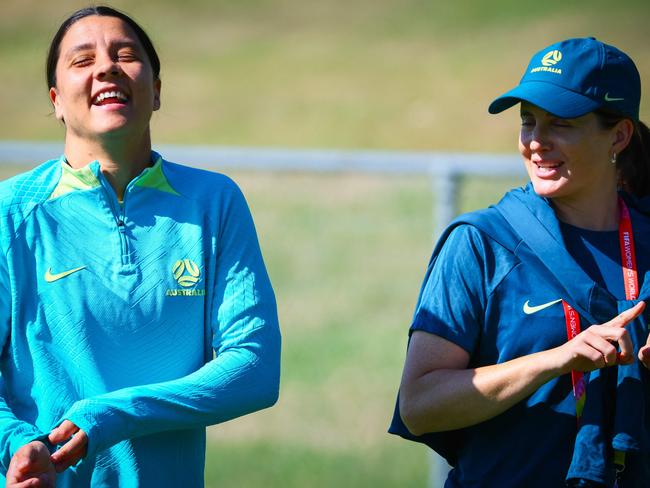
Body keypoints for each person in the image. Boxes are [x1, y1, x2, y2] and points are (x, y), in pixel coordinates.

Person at [0, 6, 281, 487]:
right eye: (82, 60)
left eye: (125, 54)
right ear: (57, 102)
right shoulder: (11, 211)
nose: (107, 66)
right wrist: (19, 444)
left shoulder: (213, 202)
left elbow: (254, 366)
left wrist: (110, 415)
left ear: (155, 92)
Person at [390, 37, 650, 487]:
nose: (536, 142)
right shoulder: (480, 243)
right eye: (529, 122)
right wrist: (557, 360)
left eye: (561, 124)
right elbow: (419, 406)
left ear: (619, 135)